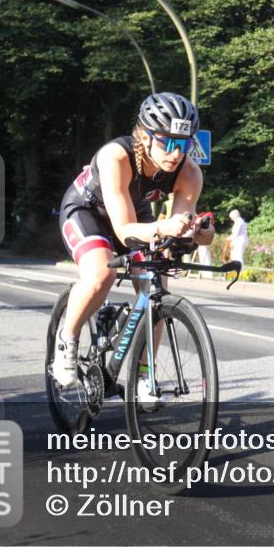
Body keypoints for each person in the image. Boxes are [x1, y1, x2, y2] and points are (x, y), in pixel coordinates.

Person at [54, 92, 214, 401]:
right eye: (167, 142)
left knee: (155, 286)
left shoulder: (190, 173)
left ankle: (144, 375)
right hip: (87, 211)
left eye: (183, 144)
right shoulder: (115, 156)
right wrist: (162, 226)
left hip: (135, 213)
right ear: (144, 135)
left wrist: (197, 233)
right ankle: (67, 339)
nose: (175, 153)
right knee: (102, 274)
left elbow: (179, 226)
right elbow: (124, 231)